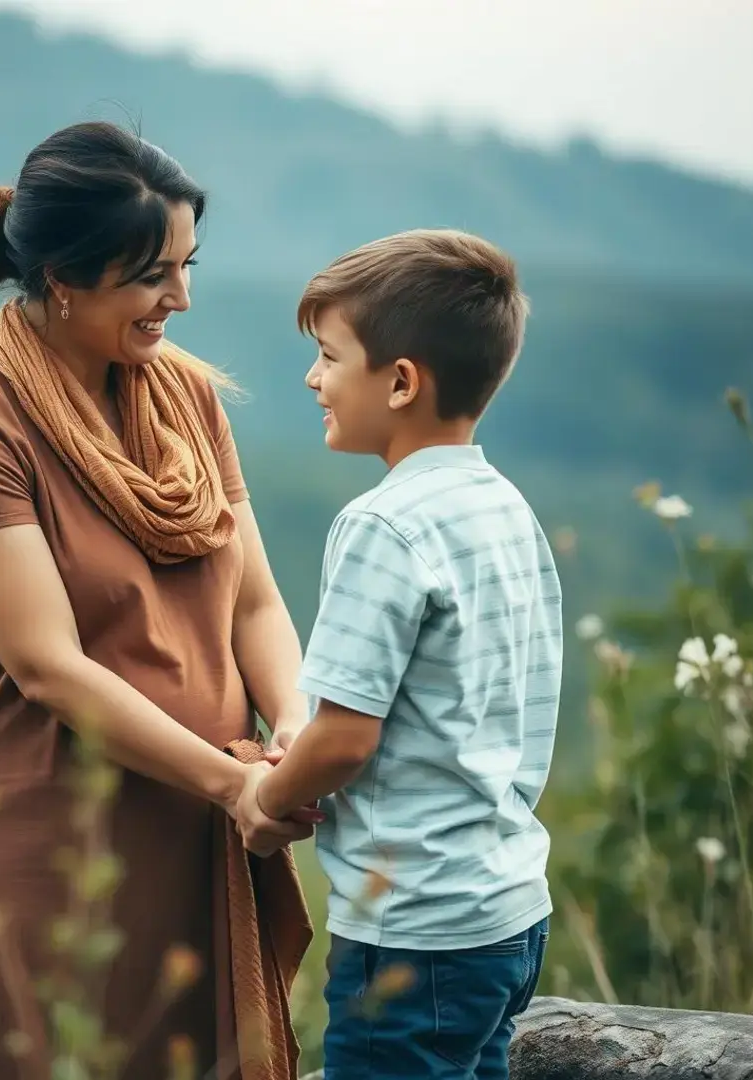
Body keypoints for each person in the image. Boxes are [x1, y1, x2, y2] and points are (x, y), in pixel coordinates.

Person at [0, 121, 320, 1080]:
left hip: (192, 832)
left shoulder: (183, 398)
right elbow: (50, 670)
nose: (182, 296)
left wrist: (290, 727)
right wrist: (234, 785)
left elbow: (252, 600)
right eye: (150, 275)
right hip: (45, 855)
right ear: (61, 277)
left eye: (186, 264)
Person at [236, 229, 563, 1079]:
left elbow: (345, 739)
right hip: (508, 913)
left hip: (415, 932)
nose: (313, 379)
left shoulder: (382, 525)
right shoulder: (505, 508)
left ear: (402, 380)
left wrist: (267, 799)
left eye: (328, 356)